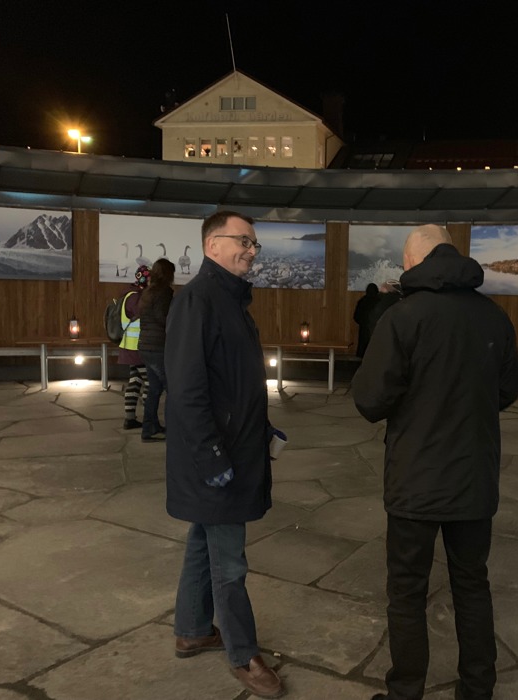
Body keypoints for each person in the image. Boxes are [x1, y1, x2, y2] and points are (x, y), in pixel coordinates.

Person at [352, 224, 518, 700]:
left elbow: (369, 399)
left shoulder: (403, 318)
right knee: (472, 584)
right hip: (474, 477)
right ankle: (477, 689)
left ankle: (406, 691)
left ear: (413, 261)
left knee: (407, 591)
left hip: (416, 479)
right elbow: (507, 392)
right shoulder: (494, 316)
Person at [164, 209, 285, 699]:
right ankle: (242, 654)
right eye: (244, 241)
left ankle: (193, 629)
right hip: (217, 459)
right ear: (212, 245)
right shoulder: (198, 301)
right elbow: (187, 389)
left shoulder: (229, 300)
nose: (251, 251)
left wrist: (260, 427)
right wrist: (213, 456)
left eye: (254, 244)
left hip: (235, 447)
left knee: (204, 539)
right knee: (229, 564)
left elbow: (231, 383)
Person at [137, 257, 175, 442]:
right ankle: (174, 429)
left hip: (145, 345)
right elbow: (163, 317)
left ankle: (149, 428)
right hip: (158, 346)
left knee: (154, 389)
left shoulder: (148, 291)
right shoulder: (164, 292)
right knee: (172, 388)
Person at [119, 264, 150, 430]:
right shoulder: (135, 297)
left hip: (130, 347)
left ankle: (129, 418)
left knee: (135, 380)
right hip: (137, 348)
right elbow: (144, 315)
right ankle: (149, 419)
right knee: (151, 383)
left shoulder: (129, 294)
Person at [353, 282, 380, 357]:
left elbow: (356, 316)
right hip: (376, 328)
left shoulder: (362, 301)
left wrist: (363, 323)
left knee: (363, 349)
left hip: (364, 328)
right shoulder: (380, 301)